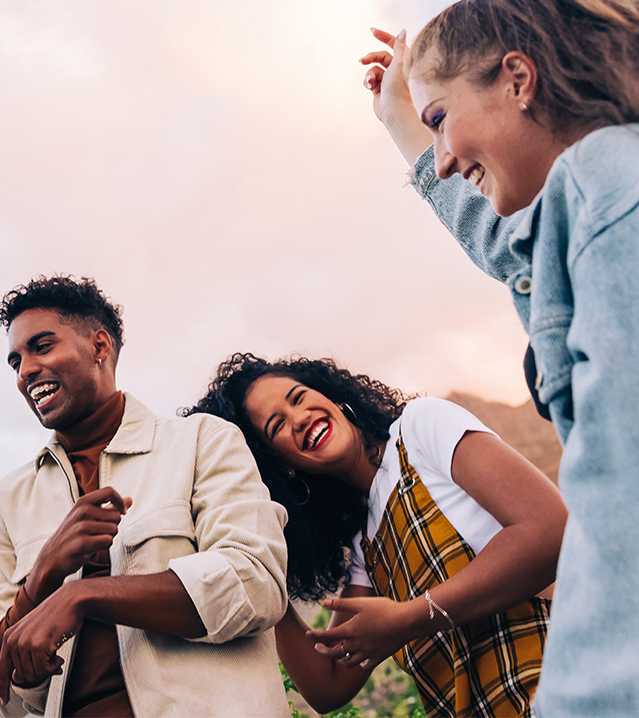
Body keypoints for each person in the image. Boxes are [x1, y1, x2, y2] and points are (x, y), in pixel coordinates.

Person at [360, 1, 639, 713]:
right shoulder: (595, 191)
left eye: (439, 119)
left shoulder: (609, 197)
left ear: (518, 78)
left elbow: (622, 499)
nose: (445, 156)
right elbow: (512, 248)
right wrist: (403, 124)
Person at [0, 276, 289, 718]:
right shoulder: (5, 501)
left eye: (41, 347)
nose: (24, 372)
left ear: (100, 346)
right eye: (15, 361)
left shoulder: (201, 441)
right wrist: (42, 577)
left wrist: (83, 595)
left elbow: (256, 583)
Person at [186, 353, 567, 717]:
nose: (298, 418)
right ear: (280, 467)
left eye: (298, 398)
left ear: (330, 395)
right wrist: (257, 562)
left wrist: (410, 617)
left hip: (568, 686)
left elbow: (550, 530)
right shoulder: (366, 545)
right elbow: (327, 684)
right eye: (277, 426)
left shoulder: (420, 429)